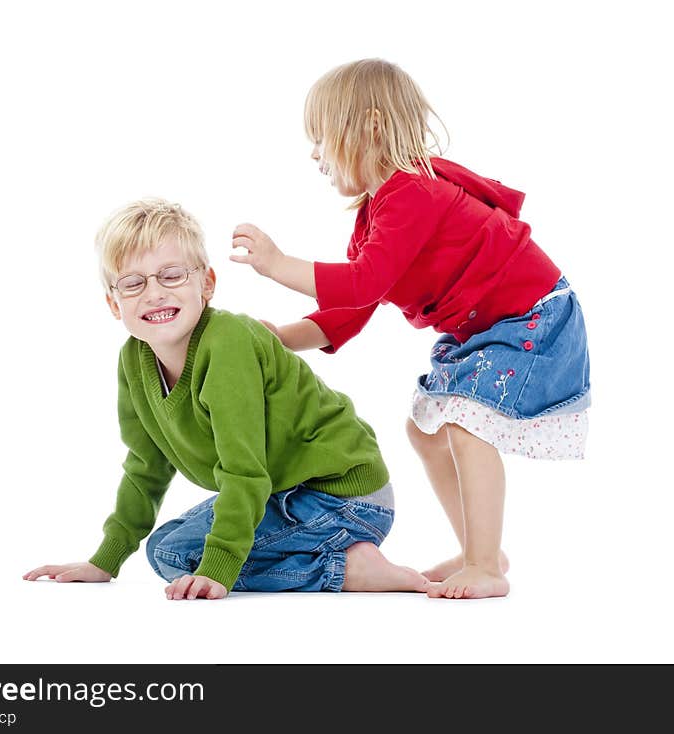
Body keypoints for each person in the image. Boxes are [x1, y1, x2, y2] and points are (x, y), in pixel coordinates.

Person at [230, 58, 590, 600]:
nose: (314, 154)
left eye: (321, 137)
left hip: (532, 316)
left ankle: (486, 565)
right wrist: (281, 337)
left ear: (369, 126)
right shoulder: (377, 213)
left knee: (469, 426)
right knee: (424, 431)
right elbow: (351, 307)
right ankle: (481, 551)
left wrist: (278, 264)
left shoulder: (412, 192)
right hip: (489, 326)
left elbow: (360, 281)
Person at [24, 198, 429, 599]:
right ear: (115, 303)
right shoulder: (134, 359)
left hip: (345, 494)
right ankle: (333, 557)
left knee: (180, 556)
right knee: (166, 547)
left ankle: (345, 568)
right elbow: (145, 467)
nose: (154, 294)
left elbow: (244, 471)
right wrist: (105, 560)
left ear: (207, 284)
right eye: (133, 283)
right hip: (282, 490)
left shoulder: (228, 343)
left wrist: (219, 569)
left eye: (171, 275)